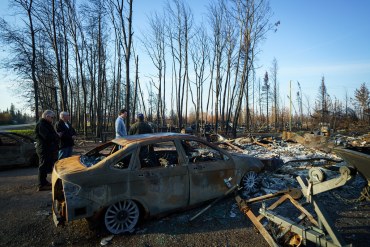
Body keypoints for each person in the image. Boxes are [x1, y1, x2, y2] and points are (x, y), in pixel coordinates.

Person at [35, 110, 60, 191]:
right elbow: (47, 137)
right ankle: (41, 185)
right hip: (43, 148)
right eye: (52, 117)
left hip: (47, 148)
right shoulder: (41, 124)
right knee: (42, 166)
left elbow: (53, 134)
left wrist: (55, 136)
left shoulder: (46, 124)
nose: (53, 119)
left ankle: (44, 182)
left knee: (45, 166)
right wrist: (55, 136)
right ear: (47, 116)